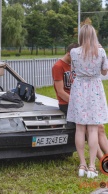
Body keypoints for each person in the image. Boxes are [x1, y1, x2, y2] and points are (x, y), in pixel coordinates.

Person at [52, 42, 108, 177]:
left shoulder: (78, 64)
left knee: (99, 127)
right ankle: (102, 160)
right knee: (92, 127)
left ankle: (104, 157)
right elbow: (60, 92)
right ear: (70, 53)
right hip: (68, 103)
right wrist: (78, 103)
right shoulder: (58, 66)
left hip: (83, 101)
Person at [67, 24, 108, 178]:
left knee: (80, 128)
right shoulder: (101, 51)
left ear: (81, 36)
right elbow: (104, 71)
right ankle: (92, 166)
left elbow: (73, 70)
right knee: (93, 129)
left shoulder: (73, 52)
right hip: (95, 89)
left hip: (79, 89)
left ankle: (82, 164)